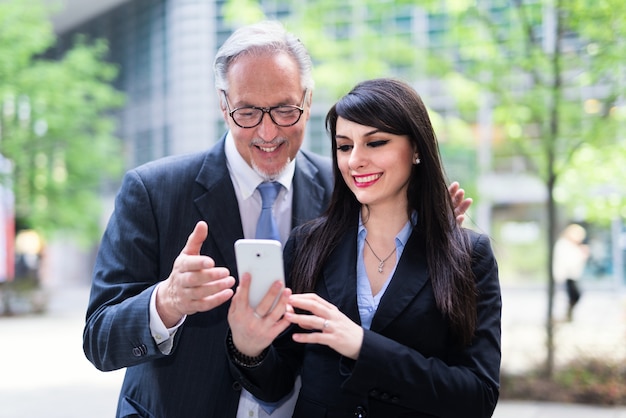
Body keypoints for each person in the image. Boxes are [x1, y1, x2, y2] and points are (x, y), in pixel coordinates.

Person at [83, 21, 471, 418]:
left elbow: (385, 319)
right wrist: (166, 302)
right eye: (248, 112)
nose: (268, 132)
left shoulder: (350, 189)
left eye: (285, 110)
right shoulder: (153, 191)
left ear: (307, 99)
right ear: (223, 104)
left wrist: (427, 238)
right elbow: (99, 338)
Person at [227, 78, 501, 418]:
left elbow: (478, 397)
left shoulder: (468, 256)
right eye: (344, 147)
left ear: (416, 148)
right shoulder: (308, 245)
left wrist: (361, 345)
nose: (355, 160)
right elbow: (277, 384)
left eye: (376, 143)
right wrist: (249, 349)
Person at [552, 223, 589, 322]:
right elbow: (569, 262)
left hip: (571, 276)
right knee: (567, 297)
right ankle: (563, 317)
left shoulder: (570, 246)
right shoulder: (564, 245)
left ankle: (567, 315)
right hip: (565, 276)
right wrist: (582, 255)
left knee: (573, 296)